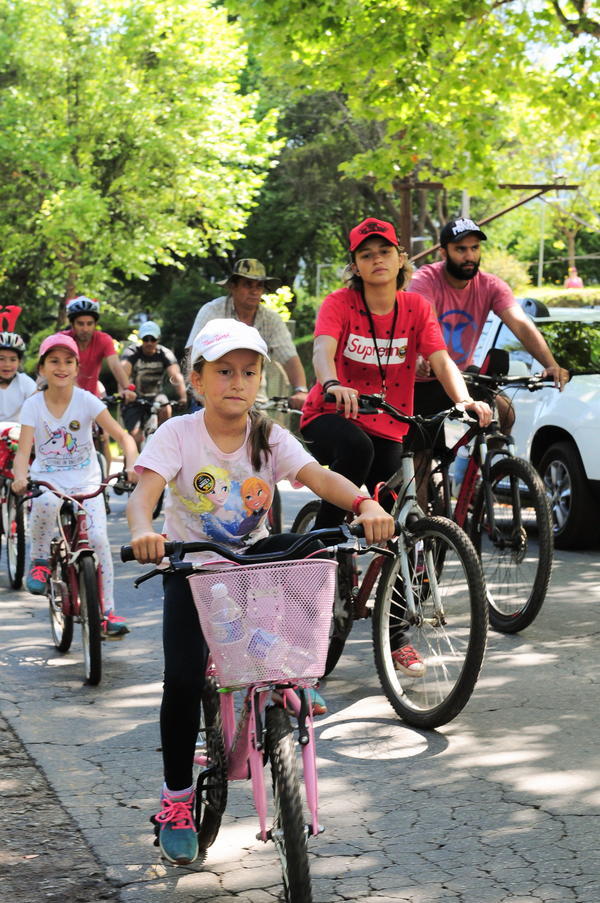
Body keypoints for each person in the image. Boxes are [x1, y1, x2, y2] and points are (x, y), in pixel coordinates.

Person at [126, 318, 394, 865]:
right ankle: (176, 800)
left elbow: (319, 477)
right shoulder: (178, 434)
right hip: (191, 567)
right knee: (183, 679)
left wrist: (364, 503)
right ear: (197, 379)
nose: (238, 382)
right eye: (224, 371)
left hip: (250, 565)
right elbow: (144, 493)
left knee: (304, 562)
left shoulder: (268, 435)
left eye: (249, 372)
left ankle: (284, 683)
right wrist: (142, 533)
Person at [299, 217, 492, 677]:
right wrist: (332, 383)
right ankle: (321, 550)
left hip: (390, 423)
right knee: (358, 453)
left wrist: (463, 400)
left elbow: (440, 358)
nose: (377, 260)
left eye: (384, 251)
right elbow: (322, 349)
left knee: (400, 527)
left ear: (400, 258)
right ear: (355, 266)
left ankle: (398, 634)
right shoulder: (340, 303)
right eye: (366, 255)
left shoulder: (415, 307)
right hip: (331, 414)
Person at [407, 217, 569, 495]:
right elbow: (425, 322)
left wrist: (551, 364)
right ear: (443, 252)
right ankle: (420, 522)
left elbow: (521, 324)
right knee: (421, 458)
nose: (469, 256)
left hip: (458, 379)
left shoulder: (491, 285)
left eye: (474, 248)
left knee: (503, 413)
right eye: (461, 249)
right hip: (419, 382)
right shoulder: (425, 280)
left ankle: (477, 484)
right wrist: (424, 356)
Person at [12, 335, 138, 636]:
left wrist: (132, 464)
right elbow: (23, 452)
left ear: (77, 368)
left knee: (98, 539)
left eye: (69, 361)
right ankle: (40, 560)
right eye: (54, 361)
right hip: (49, 479)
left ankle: (106, 612)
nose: (62, 367)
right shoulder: (33, 405)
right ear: (42, 368)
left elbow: (123, 437)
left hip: (86, 480)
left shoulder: (87, 401)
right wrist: (19, 477)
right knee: (44, 502)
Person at [185, 259, 309, 410]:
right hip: (210, 396)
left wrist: (301, 390)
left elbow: (289, 357)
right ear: (233, 286)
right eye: (248, 284)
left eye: (259, 285)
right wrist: (200, 393)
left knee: (263, 424)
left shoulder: (272, 319)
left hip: (254, 400)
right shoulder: (212, 311)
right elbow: (193, 354)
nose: (254, 291)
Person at [63, 296, 137, 469]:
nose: (85, 328)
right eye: (80, 324)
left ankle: (104, 482)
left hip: (93, 395)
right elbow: (65, 374)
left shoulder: (103, 339)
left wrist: (127, 388)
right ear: (72, 324)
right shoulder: (64, 340)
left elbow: (116, 366)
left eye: (90, 323)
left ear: (95, 324)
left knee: (103, 437)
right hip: (67, 397)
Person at [120, 321, 187, 450]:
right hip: (134, 397)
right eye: (146, 339)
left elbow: (175, 376)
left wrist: (183, 397)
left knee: (166, 408)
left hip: (156, 396)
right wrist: (125, 392)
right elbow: (123, 374)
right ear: (141, 339)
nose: (149, 342)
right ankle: (133, 458)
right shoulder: (132, 352)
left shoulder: (165, 353)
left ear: (158, 339)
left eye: (153, 339)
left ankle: (161, 439)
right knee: (136, 437)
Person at [0, 332, 36, 422]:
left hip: (16, 429)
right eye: (1, 359)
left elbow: (39, 404)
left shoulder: (25, 382)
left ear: (19, 362)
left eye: (13, 359)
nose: (7, 364)